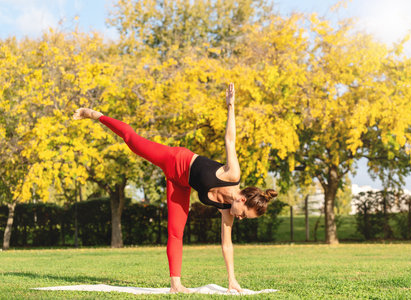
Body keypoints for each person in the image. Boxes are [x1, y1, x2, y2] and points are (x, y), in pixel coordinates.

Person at [73, 83, 277, 293]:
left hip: (180, 184)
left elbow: (227, 246)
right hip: (175, 160)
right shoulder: (232, 174)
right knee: (132, 141)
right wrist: (231, 106)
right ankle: (95, 115)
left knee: (175, 231)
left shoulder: (228, 211)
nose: (240, 218)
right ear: (242, 199)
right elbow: (230, 140)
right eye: (243, 215)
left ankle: (176, 285)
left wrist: (232, 280)